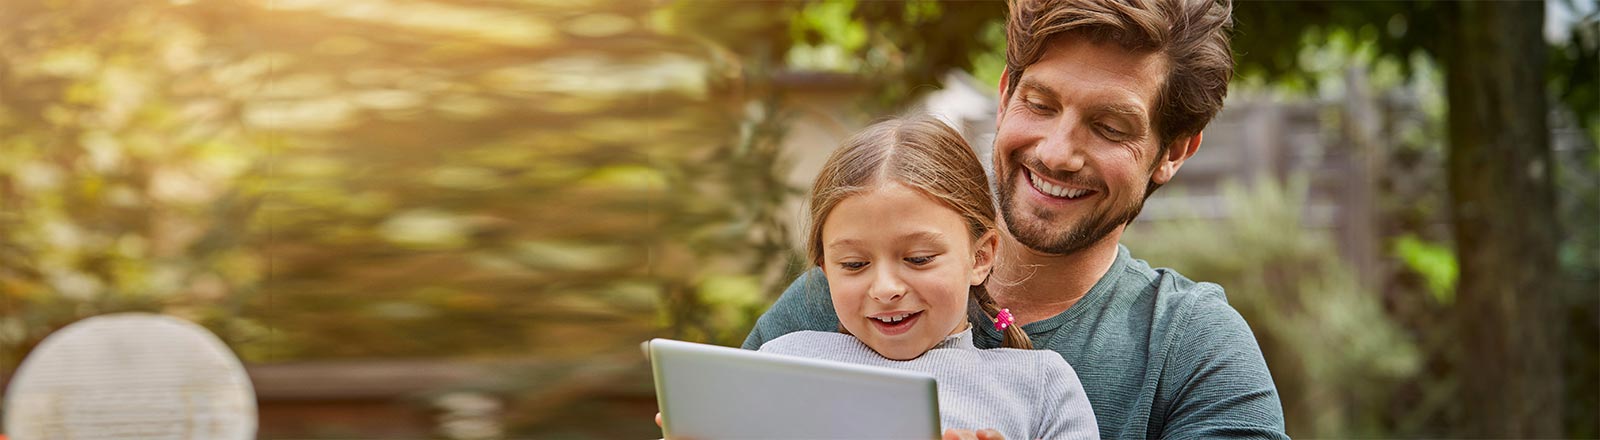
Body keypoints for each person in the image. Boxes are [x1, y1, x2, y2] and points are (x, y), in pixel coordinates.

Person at [743, 0, 1290, 438]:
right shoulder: (832, 303)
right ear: (1005, 96)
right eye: (1042, 104)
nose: (1056, 153)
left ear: (1173, 152)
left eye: (1109, 127)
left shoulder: (1190, 347)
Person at [754, 115, 1099, 440]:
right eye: (855, 264)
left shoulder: (1040, 385)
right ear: (825, 268)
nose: (886, 289)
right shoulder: (784, 363)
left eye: (918, 259)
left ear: (980, 257)